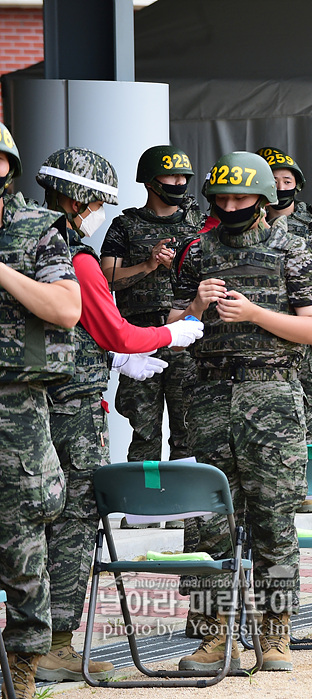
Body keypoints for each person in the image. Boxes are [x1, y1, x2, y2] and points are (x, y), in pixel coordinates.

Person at [33, 147, 204, 684]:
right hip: (71, 410)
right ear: (76, 200)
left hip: (29, 403)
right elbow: (113, 328)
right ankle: (58, 645)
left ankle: (26, 643)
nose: (102, 212)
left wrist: (117, 356)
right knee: (75, 520)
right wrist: (167, 335)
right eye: (97, 202)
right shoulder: (73, 257)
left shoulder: (24, 249)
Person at [173, 151, 312, 673]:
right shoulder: (199, 252)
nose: (231, 206)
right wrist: (195, 307)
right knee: (211, 522)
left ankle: (275, 632)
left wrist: (257, 314)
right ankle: (212, 635)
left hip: (274, 397)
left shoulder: (295, 252)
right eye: (223, 198)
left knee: (273, 520)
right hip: (212, 395)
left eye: (241, 198)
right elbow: (175, 328)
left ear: (263, 199)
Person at [0, 124, 82, 699]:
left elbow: (65, 308)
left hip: (14, 404)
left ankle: (24, 666)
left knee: (21, 538)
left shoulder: (37, 231)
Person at [100, 145, 204, 528]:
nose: (178, 184)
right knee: (144, 427)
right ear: (149, 181)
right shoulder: (125, 226)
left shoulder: (199, 224)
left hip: (188, 337)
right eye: (170, 177)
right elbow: (105, 278)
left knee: (186, 426)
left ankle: (181, 509)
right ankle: (142, 509)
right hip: (139, 338)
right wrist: (147, 264)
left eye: (182, 178)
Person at [256, 146, 312, 515]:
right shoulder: (252, 225)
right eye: (272, 180)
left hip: (307, 326)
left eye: (286, 180)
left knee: (308, 404)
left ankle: (304, 484)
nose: (279, 186)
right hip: (264, 329)